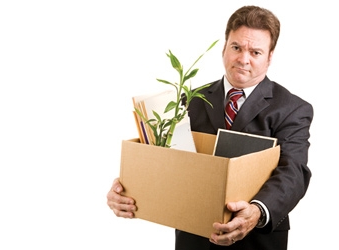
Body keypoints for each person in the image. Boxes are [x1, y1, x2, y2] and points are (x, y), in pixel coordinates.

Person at [106, 5, 313, 250]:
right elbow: (167, 159)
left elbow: (294, 172)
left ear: (269, 56)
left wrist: (257, 211)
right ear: (224, 47)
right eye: (236, 47)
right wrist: (128, 187)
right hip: (194, 237)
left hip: (257, 241)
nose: (243, 59)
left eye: (255, 52)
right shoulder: (191, 99)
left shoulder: (293, 108)